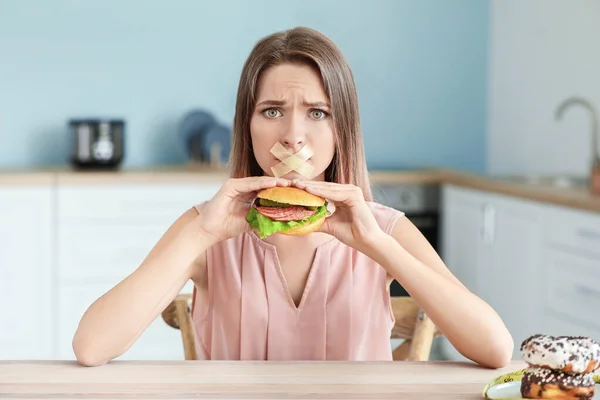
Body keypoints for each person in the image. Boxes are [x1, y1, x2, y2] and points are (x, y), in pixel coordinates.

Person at [72, 26, 513, 368]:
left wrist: (378, 246)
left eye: (317, 113)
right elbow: (91, 347)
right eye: (272, 112)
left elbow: (495, 348)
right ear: (247, 125)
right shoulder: (207, 226)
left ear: (342, 131)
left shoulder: (383, 228)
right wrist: (199, 238)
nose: (293, 137)